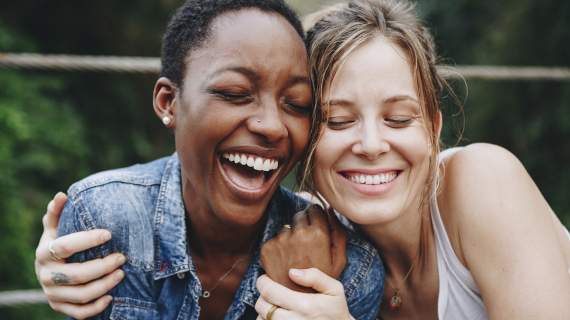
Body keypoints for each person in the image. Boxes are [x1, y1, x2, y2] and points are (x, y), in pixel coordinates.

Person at [34, 0, 385, 319]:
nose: (272, 126)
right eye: (234, 93)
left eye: (296, 103)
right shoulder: (106, 221)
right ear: (168, 102)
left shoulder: (348, 271)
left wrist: (299, 296)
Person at [253, 0, 570, 319]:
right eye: (337, 120)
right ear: (306, 138)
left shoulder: (485, 180)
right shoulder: (309, 231)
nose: (371, 145)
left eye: (399, 119)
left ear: (433, 129)